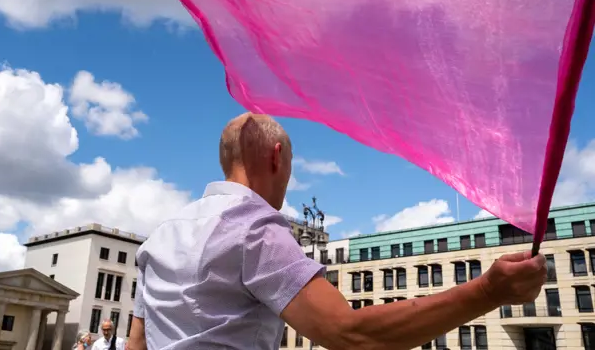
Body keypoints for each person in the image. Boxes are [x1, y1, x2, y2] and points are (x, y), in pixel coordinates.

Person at [127, 113, 547, 350]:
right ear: (277, 158)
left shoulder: (159, 237)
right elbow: (349, 333)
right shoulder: (253, 227)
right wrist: (490, 291)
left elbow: (137, 344)